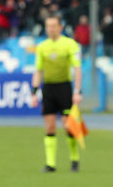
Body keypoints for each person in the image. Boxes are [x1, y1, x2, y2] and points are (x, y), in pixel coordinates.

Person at [31, 15, 84, 172]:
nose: (50, 29)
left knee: (68, 125)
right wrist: (34, 92)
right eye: (48, 26)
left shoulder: (70, 44)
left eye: (53, 26)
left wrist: (77, 91)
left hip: (64, 88)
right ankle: (50, 164)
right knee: (50, 126)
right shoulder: (42, 47)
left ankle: (74, 158)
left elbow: (77, 69)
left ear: (60, 27)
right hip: (48, 88)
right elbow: (38, 71)